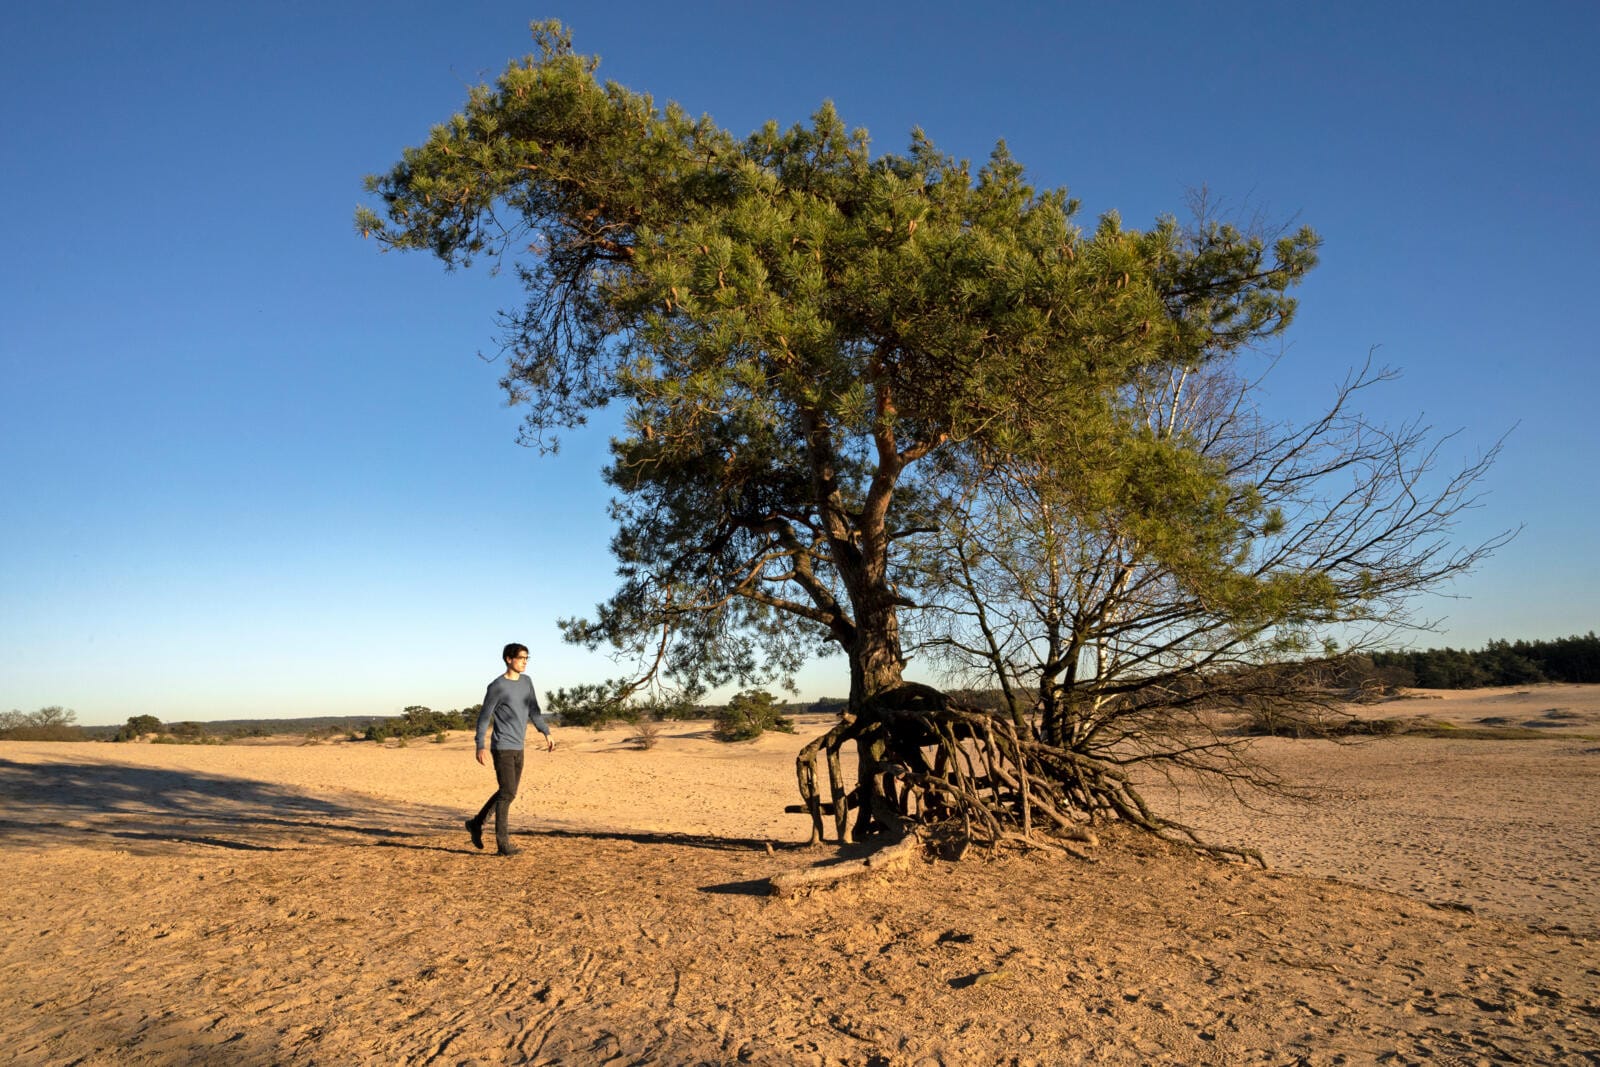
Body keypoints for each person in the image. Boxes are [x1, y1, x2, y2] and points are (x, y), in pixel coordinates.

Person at [465, 643, 553, 856]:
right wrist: (480, 745)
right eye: (521, 658)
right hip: (502, 746)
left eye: (527, 658)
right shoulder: (497, 686)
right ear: (508, 659)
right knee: (507, 794)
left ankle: (476, 824)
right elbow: (484, 717)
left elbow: (534, 711)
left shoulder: (527, 682)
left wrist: (546, 731)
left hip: (518, 746)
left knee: (508, 792)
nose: (525, 661)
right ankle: (503, 845)